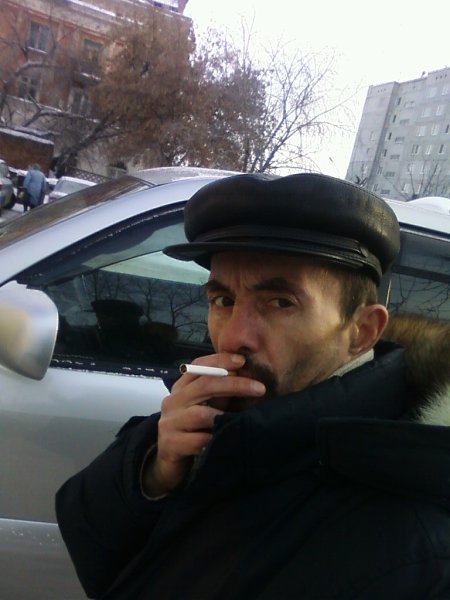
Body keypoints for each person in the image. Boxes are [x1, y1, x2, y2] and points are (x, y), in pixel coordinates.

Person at [56, 173, 450, 599]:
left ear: (362, 331)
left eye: (280, 303)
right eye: (223, 300)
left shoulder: (413, 549)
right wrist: (154, 469)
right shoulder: (229, 425)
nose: (232, 337)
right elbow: (96, 557)